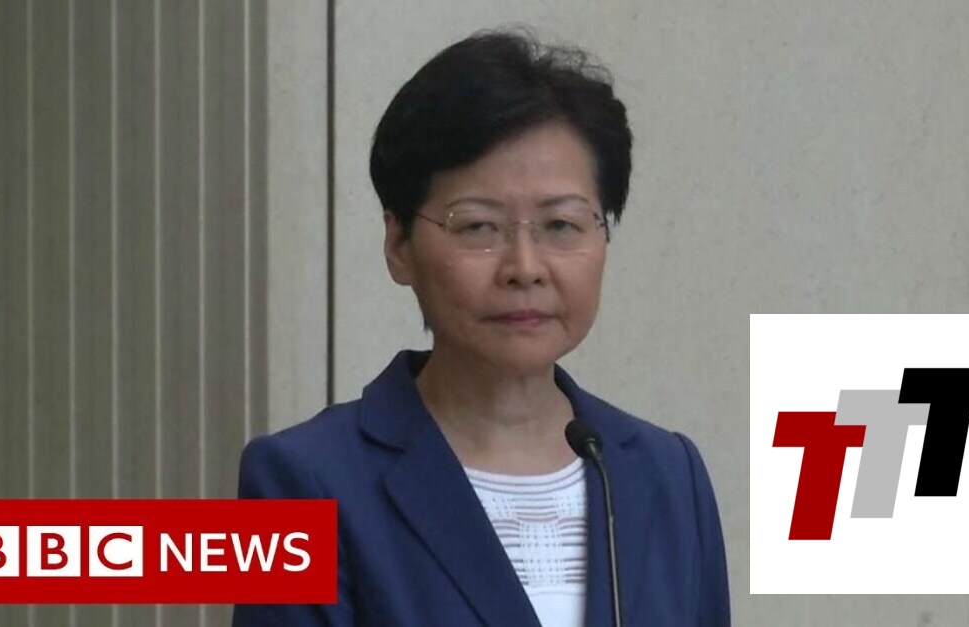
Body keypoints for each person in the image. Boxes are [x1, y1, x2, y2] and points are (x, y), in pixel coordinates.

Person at [233, 29, 730, 627]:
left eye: (561, 225)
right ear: (399, 244)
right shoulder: (301, 481)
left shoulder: (668, 474)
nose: (525, 268)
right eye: (477, 227)